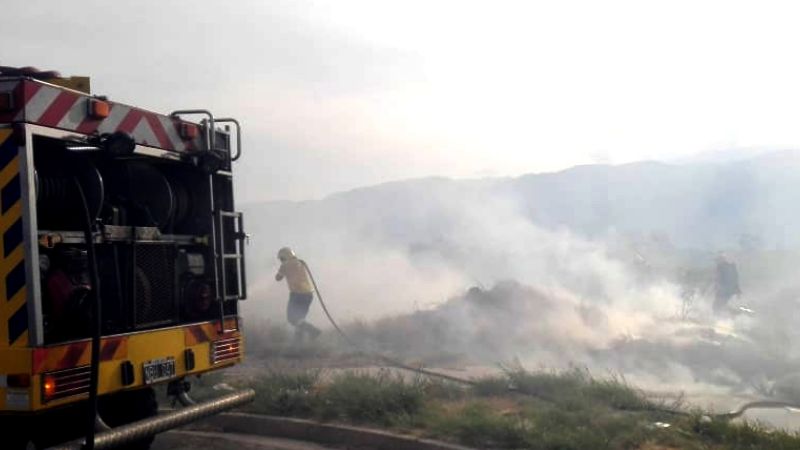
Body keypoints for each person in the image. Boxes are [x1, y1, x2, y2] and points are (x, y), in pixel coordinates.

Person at [275, 247, 321, 341]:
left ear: (285, 257)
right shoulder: (300, 262)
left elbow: (278, 278)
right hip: (308, 294)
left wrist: (279, 269)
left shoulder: (285, 265)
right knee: (300, 318)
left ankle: (313, 330)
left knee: (292, 319)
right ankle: (298, 342)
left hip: (297, 295)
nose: (281, 261)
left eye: (281, 258)